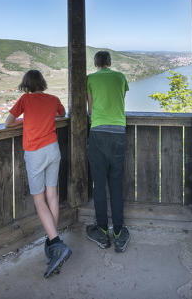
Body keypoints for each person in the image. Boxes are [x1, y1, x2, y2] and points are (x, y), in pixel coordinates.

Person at [5, 70, 70, 278]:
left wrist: (23, 122)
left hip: (35, 153)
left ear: (26, 85)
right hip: (53, 149)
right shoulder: (53, 99)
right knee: (52, 195)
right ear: (42, 83)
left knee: (39, 199)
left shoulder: (24, 100)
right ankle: (52, 241)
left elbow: (8, 123)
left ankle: (57, 244)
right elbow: (62, 114)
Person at [86, 51, 130, 252]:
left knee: (99, 184)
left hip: (97, 133)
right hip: (118, 132)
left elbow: (90, 107)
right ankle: (119, 233)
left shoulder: (90, 79)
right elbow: (120, 99)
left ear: (95, 64)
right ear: (110, 63)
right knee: (116, 182)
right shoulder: (120, 77)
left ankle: (102, 232)